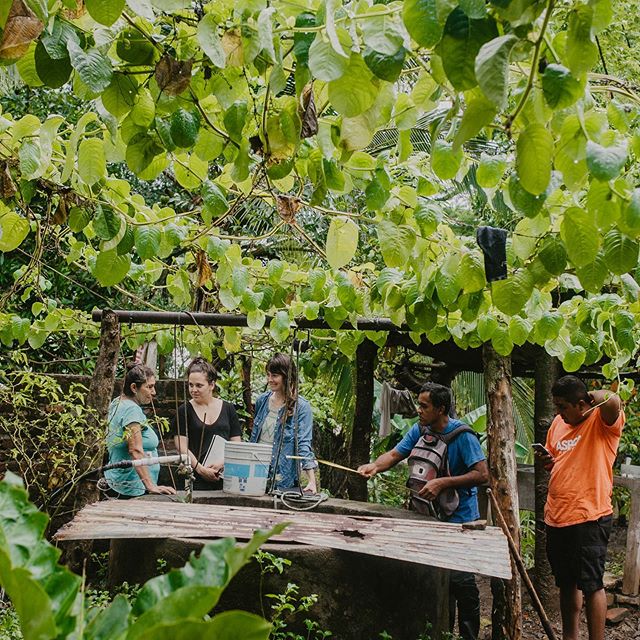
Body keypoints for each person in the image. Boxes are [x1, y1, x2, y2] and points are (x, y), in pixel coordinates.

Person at [357, 382, 488, 640]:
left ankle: (469, 635)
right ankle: (444, 633)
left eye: (424, 406)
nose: (419, 410)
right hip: (429, 518)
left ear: (441, 409)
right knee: (440, 580)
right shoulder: (420, 430)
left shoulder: (464, 436)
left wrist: (443, 483)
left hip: (460, 520)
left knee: (462, 581)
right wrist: (374, 465)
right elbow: (395, 454)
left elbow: (482, 474)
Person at [535, 375, 624, 640]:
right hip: (558, 515)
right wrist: (547, 461)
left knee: (592, 584)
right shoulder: (557, 425)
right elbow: (557, 460)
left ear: (582, 405)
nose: (558, 413)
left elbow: (613, 400)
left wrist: (589, 397)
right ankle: (569, 637)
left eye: (563, 406)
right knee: (566, 583)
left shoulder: (603, 423)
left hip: (590, 516)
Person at [105, 363, 177, 498]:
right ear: (133, 387)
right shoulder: (131, 409)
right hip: (130, 488)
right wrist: (150, 486)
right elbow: (135, 450)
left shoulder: (117, 402)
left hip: (120, 483)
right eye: (149, 387)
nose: (154, 392)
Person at [249, 353, 318, 493]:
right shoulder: (262, 400)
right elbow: (254, 439)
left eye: (274, 375)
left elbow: (303, 444)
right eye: (268, 375)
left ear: (286, 376)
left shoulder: (302, 407)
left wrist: (312, 480)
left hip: (283, 478)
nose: (270, 380)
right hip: (256, 474)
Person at [171, 357, 242, 490]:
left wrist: (222, 463)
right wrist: (201, 469)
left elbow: (236, 443)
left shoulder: (228, 408)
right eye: (190, 385)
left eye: (199, 385)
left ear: (212, 385)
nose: (193, 390)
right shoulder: (184, 410)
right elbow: (181, 446)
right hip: (194, 477)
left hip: (224, 476)